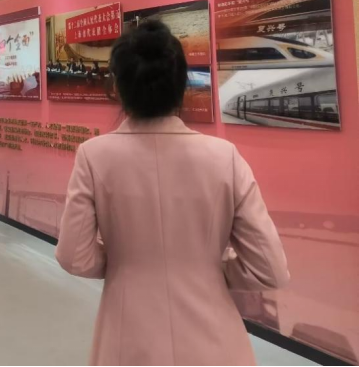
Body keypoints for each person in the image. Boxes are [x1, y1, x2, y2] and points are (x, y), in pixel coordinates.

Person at [55, 20, 290, 366]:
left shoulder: (94, 156)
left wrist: (123, 263)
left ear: (117, 87)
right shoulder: (224, 157)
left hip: (128, 337)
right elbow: (270, 268)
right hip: (215, 343)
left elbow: (73, 256)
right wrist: (211, 269)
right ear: (182, 85)